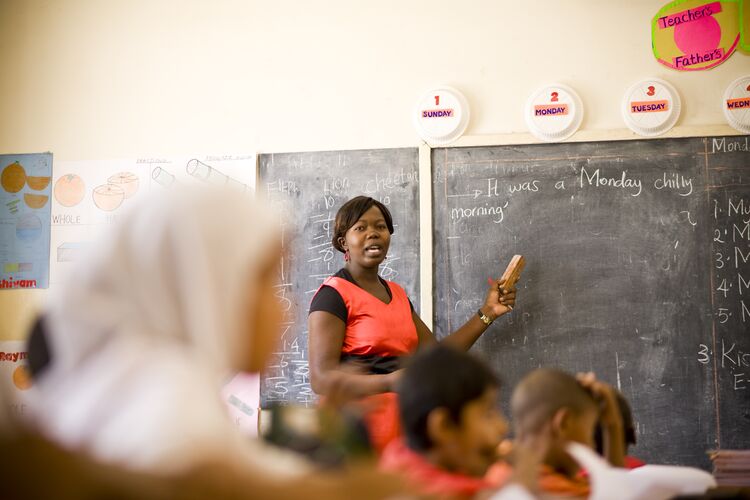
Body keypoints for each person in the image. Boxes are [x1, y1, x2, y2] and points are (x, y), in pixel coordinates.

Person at [22, 187, 403, 499]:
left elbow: (257, 475)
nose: (285, 309)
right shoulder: (165, 407)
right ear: (204, 284)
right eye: (265, 281)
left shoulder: (160, 390)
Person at [308, 196, 517, 452]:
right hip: (354, 435)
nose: (373, 233)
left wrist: (489, 312)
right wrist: (390, 382)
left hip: (402, 431)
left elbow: (436, 357)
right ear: (344, 243)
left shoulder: (396, 294)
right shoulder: (333, 295)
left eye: (380, 227)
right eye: (361, 228)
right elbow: (321, 379)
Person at [380, 344, 545, 499]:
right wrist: (525, 468)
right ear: (444, 427)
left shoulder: (400, 459)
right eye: (487, 413)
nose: (502, 426)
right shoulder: (439, 493)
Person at [509, 369, 625, 498]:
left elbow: (612, 487)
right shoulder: (556, 491)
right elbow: (616, 494)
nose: (592, 445)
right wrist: (613, 426)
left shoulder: (503, 475)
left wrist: (612, 425)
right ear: (564, 423)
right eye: (590, 433)